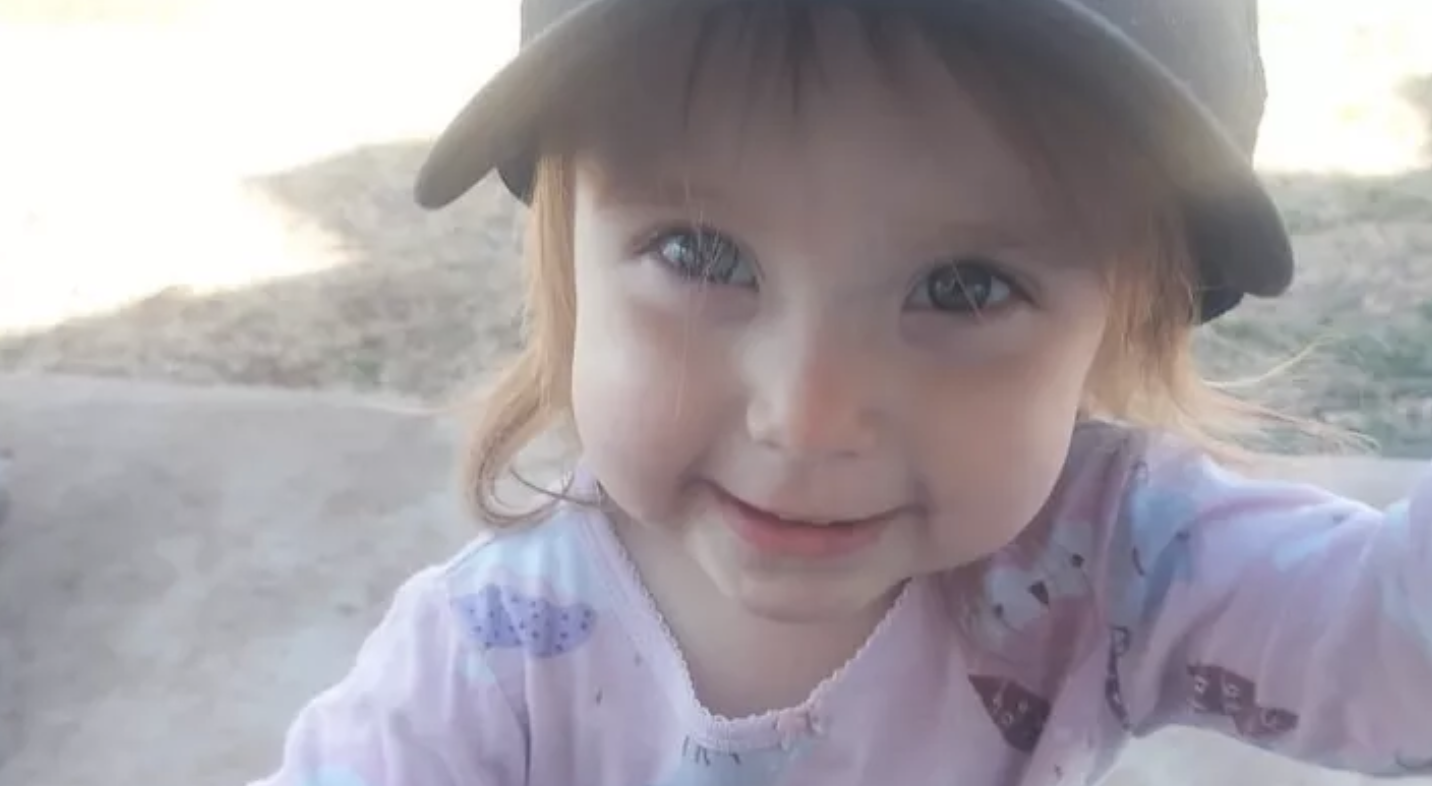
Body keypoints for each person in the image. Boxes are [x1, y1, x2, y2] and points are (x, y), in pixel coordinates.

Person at [248, 1, 1432, 784]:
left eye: (964, 287)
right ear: (567, 256)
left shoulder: (1112, 557)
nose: (806, 417)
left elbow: (1399, 668)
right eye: (700, 253)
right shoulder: (485, 663)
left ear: (1123, 314)